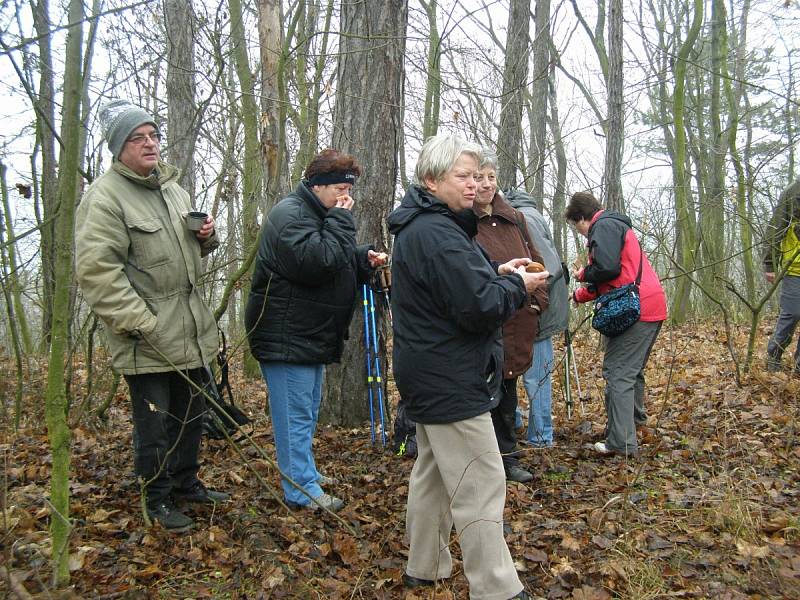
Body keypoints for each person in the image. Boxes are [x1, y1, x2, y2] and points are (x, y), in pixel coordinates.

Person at [389, 134, 548, 600]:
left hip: (430, 371)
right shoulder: (436, 232)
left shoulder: (431, 227)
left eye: (478, 177)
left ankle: (424, 565)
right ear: (432, 179)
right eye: (463, 176)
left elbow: (454, 290)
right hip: (449, 375)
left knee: (434, 472)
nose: (474, 185)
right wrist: (517, 287)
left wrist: (499, 274)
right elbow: (478, 306)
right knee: (481, 479)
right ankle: (496, 588)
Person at [75, 99, 228, 532]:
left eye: (153, 136)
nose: (150, 145)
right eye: (138, 138)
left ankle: (186, 484)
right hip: (146, 338)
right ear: (118, 147)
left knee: (191, 416)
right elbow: (97, 271)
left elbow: (191, 249)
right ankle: (156, 499)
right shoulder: (104, 199)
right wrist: (139, 322)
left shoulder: (172, 189)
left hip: (190, 331)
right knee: (155, 425)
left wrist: (206, 235)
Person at [245, 149, 387, 513]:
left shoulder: (314, 213)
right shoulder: (290, 215)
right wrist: (341, 220)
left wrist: (360, 258)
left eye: (348, 190)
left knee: (305, 411)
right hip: (285, 336)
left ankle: (303, 473)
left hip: (307, 335)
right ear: (318, 185)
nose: (346, 198)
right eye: (340, 189)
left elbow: (332, 259)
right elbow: (317, 262)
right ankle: (299, 487)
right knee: (293, 415)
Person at [566, 191, 667, 457]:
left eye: (577, 227)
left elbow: (607, 268)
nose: (581, 234)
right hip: (648, 303)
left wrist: (583, 274)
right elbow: (616, 277)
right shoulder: (614, 225)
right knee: (631, 371)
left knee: (618, 373)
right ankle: (633, 425)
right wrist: (582, 294)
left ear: (581, 218)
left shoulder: (604, 225)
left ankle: (621, 443)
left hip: (636, 309)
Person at [473, 154, 548, 482]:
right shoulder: (461, 220)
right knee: (481, 394)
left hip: (517, 319)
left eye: (491, 176)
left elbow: (538, 263)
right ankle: (481, 462)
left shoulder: (514, 217)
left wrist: (536, 305)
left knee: (508, 391)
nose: (486, 184)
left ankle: (508, 459)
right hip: (482, 320)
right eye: (479, 177)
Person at [505, 189, 570, 448]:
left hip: (538, 313)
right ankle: (521, 424)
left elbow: (547, 268)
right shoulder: (525, 215)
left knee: (537, 378)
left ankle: (542, 437)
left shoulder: (524, 218)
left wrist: (530, 296)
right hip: (528, 311)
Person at [763, 178, 800, 373]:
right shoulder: (792, 192)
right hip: (794, 267)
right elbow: (776, 227)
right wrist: (769, 262)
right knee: (793, 313)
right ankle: (774, 353)